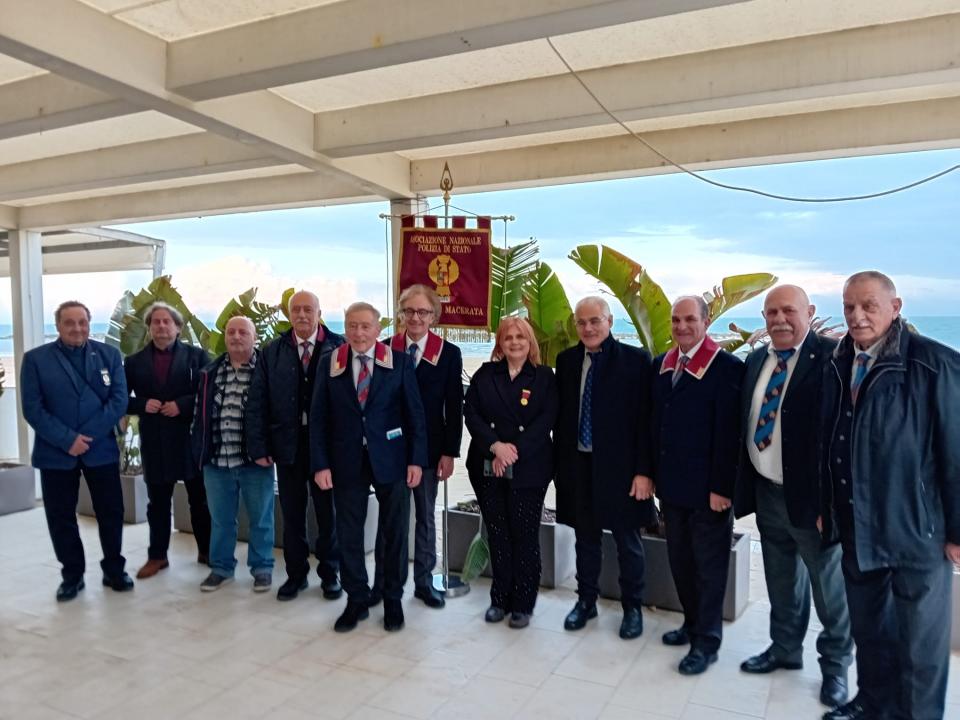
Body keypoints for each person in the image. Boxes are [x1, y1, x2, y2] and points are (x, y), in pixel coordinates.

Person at [819, 271, 960, 720]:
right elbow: (828, 444)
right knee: (871, 633)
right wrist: (827, 510)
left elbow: (956, 452)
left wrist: (957, 530)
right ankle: (872, 703)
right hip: (857, 528)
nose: (857, 316)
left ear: (895, 308)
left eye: (868, 306)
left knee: (921, 649)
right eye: (848, 307)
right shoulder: (837, 362)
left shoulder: (934, 363)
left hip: (916, 532)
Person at [734, 285, 851, 708]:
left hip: (813, 501)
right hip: (767, 492)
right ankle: (785, 650)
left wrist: (831, 504)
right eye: (770, 312)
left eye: (788, 311)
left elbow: (842, 438)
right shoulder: (756, 360)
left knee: (829, 591)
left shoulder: (834, 359)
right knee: (781, 580)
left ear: (810, 312)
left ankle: (836, 668)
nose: (779, 319)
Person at [310, 302, 427, 633]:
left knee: (394, 532)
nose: (359, 332)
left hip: (392, 459)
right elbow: (318, 418)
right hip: (346, 461)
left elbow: (414, 415)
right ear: (345, 328)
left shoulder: (399, 363)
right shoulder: (330, 363)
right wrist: (320, 464)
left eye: (365, 326)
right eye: (352, 326)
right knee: (348, 533)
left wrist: (417, 459)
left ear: (379, 330)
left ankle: (392, 599)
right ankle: (356, 600)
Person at [651, 296, 743, 675]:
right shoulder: (662, 365)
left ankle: (707, 642)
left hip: (709, 491)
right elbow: (655, 424)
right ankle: (691, 624)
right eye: (676, 320)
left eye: (690, 319)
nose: (682, 326)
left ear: (706, 322)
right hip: (672, 487)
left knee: (709, 568)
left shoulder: (727, 368)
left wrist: (722, 488)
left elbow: (729, 434)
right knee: (681, 563)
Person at [20, 300, 133, 600]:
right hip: (56, 452)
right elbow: (33, 409)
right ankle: (72, 575)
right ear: (57, 326)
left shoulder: (109, 355)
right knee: (60, 516)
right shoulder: (35, 360)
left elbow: (119, 400)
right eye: (69, 323)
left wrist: (88, 435)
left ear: (89, 323)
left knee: (111, 511)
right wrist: (67, 439)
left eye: (82, 322)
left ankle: (114, 569)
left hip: (101, 450)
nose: (77, 328)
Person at [554, 296, 653, 640]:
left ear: (610, 321)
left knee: (628, 541)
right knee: (586, 538)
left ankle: (633, 608)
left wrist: (644, 472)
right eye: (581, 323)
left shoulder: (636, 361)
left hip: (623, 470)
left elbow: (646, 422)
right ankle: (586, 601)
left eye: (595, 321)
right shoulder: (566, 362)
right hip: (578, 465)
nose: (588, 328)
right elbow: (562, 418)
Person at [372, 284, 463, 608]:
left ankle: (424, 583)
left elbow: (454, 407)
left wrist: (449, 452)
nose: (415, 318)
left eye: (423, 312)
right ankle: (382, 582)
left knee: (425, 518)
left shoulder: (448, 353)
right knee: (390, 519)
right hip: (392, 452)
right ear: (400, 313)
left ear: (433, 316)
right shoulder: (384, 349)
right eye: (409, 311)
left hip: (429, 451)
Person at [250, 290, 344, 601]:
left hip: (327, 450)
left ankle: (331, 575)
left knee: (327, 515)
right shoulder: (272, 351)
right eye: (296, 310)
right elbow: (258, 401)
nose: (302, 315)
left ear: (320, 312)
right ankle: (296, 575)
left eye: (308, 309)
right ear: (289, 314)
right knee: (292, 515)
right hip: (286, 446)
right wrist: (259, 446)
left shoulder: (339, 347)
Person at [464, 317, 557, 629]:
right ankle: (499, 599)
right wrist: (495, 446)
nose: (514, 342)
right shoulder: (485, 374)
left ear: (529, 342)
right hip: (488, 466)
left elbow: (546, 420)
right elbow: (471, 413)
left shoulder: (544, 377)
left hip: (529, 468)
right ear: (499, 344)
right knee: (499, 534)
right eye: (508, 338)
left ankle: (523, 603)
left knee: (524, 535)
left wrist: (511, 451)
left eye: (520, 337)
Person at [125, 302, 211, 578]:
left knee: (199, 501)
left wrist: (182, 405)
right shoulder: (134, 361)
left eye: (167, 322)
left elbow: (209, 395)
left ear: (178, 327)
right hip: (155, 442)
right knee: (158, 504)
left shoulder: (198, 357)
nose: (161, 326)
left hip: (189, 441)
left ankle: (207, 551)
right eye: (156, 322)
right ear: (149, 328)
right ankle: (157, 556)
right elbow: (120, 398)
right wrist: (141, 404)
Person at [190, 316, 275, 593]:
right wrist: (200, 452)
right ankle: (221, 568)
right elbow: (199, 415)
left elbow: (277, 415)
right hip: (217, 461)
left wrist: (269, 449)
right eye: (231, 332)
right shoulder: (210, 371)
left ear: (254, 338)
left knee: (261, 518)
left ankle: (262, 568)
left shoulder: (267, 370)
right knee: (221, 519)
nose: (236, 336)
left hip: (255, 461)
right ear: (225, 337)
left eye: (243, 332)